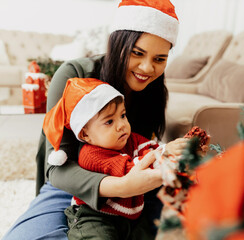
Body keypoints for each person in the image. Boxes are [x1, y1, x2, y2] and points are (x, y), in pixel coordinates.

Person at [2, 0, 180, 239]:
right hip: (73, 184)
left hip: (132, 190)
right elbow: (58, 168)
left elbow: (144, 150)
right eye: (137, 53)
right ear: (117, 44)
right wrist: (122, 186)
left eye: (159, 59)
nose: (147, 68)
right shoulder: (73, 76)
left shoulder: (153, 91)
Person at [42, 77, 185, 239]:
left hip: (130, 216)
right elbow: (131, 170)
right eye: (109, 121)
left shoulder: (129, 139)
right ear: (85, 134)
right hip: (95, 216)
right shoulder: (91, 155)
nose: (121, 125)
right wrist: (164, 157)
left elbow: (151, 148)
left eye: (123, 115)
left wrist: (172, 151)